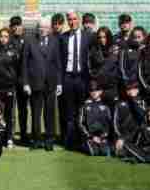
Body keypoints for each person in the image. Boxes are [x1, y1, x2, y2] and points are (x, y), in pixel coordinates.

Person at [23, 18, 62, 152]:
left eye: (45, 27)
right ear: (37, 28)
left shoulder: (55, 41)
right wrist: (26, 83)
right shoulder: (29, 41)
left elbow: (58, 64)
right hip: (35, 83)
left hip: (50, 83)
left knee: (49, 113)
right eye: (40, 27)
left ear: (49, 28)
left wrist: (59, 83)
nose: (43, 29)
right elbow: (24, 64)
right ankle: (36, 139)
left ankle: (49, 140)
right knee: (35, 113)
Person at [60, 11, 90, 149]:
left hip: (82, 78)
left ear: (79, 20)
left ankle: (83, 140)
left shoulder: (88, 36)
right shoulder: (63, 37)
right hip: (68, 78)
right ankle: (70, 141)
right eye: (69, 19)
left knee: (82, 110)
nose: (72, 22)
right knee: (69, 111)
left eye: (74, 19)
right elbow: (60, 61)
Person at [0, 28, 20, 145]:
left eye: (6, 36)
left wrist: (13, 80)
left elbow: (17, 68)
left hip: (9, 87)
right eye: (1, 36)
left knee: (9, 114)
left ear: (9, 38)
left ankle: (9, 137)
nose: (3, 39)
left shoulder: (14, 51)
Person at [112, 80, 146, 162]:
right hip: (124, 135)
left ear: (137, 90)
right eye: (129, 90)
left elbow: (142, 116)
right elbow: (115, 123)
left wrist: (133, 100)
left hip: (138, 134)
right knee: (119, 151)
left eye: (134, 89)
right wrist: (120, 137)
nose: (131, 91)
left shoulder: (142, 102)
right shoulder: (119, 104)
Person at [9, 16, 30, 145]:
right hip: (10, 80)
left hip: (23, 80)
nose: (16, 27)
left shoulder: (27, 40)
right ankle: (9, 136)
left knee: (23, 109)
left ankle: (23, 135)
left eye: (18, 25)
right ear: (11, 27)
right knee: (10, 109)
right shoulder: (8, 40)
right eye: (14, 25)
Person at [88, 26, 122, 105]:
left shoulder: (116, 50)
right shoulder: (94, 51)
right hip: (99, 88)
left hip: (113, 88)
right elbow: (91, 69)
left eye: (104, 37)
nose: (102, 39)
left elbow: (119, 68)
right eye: (100, 37)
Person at [80, 80, 114, 157]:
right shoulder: (85, 106)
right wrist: (91, 136)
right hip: (90, 137)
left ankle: (104, 145)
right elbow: (80, 124)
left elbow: (109, 123)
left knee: (105, 152)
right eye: (92, 90)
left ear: (101, 91)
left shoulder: (106, 106)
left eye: (97, 90)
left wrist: (104, 136)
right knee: (94, 153)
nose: (94, 92)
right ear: (89, 92)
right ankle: (86, 145)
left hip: (102, 136)